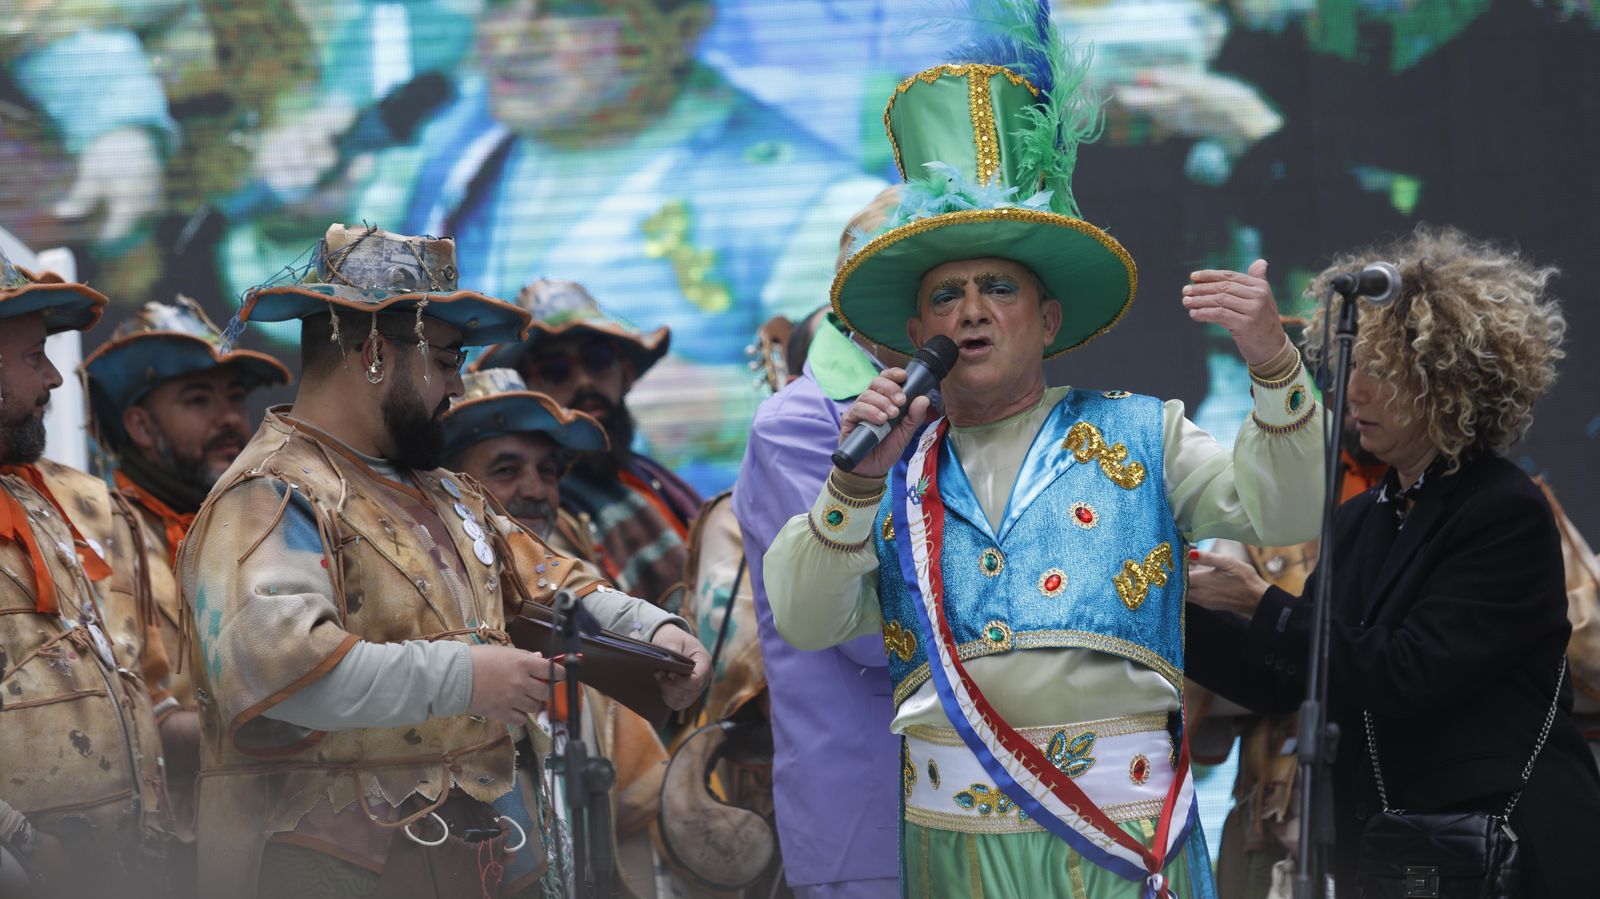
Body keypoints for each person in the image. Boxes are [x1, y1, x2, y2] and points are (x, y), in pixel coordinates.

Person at [762, 37, 1323, 897]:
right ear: (917, 337)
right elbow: (806, 619)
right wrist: (850, 486)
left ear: (1049, 318)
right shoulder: (896, 480)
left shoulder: (1146, 435)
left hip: (1122, 850)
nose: (973, 311)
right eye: (946, 296)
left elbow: (1282, 514)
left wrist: (1274, 365)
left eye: (999, 288)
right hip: (956, 859)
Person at [178, 224, 711, 898]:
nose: (460, 383)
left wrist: (654, 635)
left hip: (475, 855)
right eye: (450, 356)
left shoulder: (447, 490)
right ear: (372, 350)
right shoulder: (270, 491)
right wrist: (467, 676)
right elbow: (280, 671)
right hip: (323, 866)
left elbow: (555, 582)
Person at [1184, 225, 1600, 894]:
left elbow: (1409, 671)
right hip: (1404, 858)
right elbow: (1287, 676)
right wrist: (1164, 604)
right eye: (1357, 368)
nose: (1354, 393)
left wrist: (1258, 599)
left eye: (1381, 372)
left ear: (1447, 383)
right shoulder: (1363, 517)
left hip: (1501, 855)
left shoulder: (1502, 508)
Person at [440, 366, 678, 898]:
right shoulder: (421, 612)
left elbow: (638, 806)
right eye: (507, 469)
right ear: (446, 483)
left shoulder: (574, 606)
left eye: (548, 471)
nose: (536, 491)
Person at [732, 187, 903, 899]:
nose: (963, 310)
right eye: (934, 285)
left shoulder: (960, 403)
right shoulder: (798, 421)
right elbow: (865, 631)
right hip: (870, 816)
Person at [78, 295, 291, 841]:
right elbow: (125, 720)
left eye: (236, 399)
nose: (229, 421)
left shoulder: (270, 521)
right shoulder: (94, 535)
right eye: (198, 400)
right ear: (141, 427)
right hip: (168, 848)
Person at [0, 249, 174, 895]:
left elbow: (148, 692)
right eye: (32, 355)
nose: (53, 378)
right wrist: (23, 841)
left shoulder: (70, 501)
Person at [476, 280, 699, 610]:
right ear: (526, 390)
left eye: (597, 359)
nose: (584, 382)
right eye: (555, 370)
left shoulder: (646, 477)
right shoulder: (534, 504)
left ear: (624, 372)